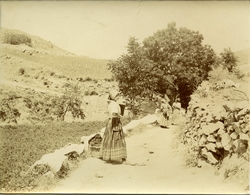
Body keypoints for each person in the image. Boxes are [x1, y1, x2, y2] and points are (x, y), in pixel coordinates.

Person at [99, 90, 127, 164]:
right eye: (117, 96)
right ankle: (119, 157)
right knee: (116, 139)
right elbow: (114, 114)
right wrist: (120, 116)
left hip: (110, 122)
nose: (118, 97)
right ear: (113, 97)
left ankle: (109, 157)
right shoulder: (114, 104)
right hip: (114, 123)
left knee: (109, 139)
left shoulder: (112, 103)